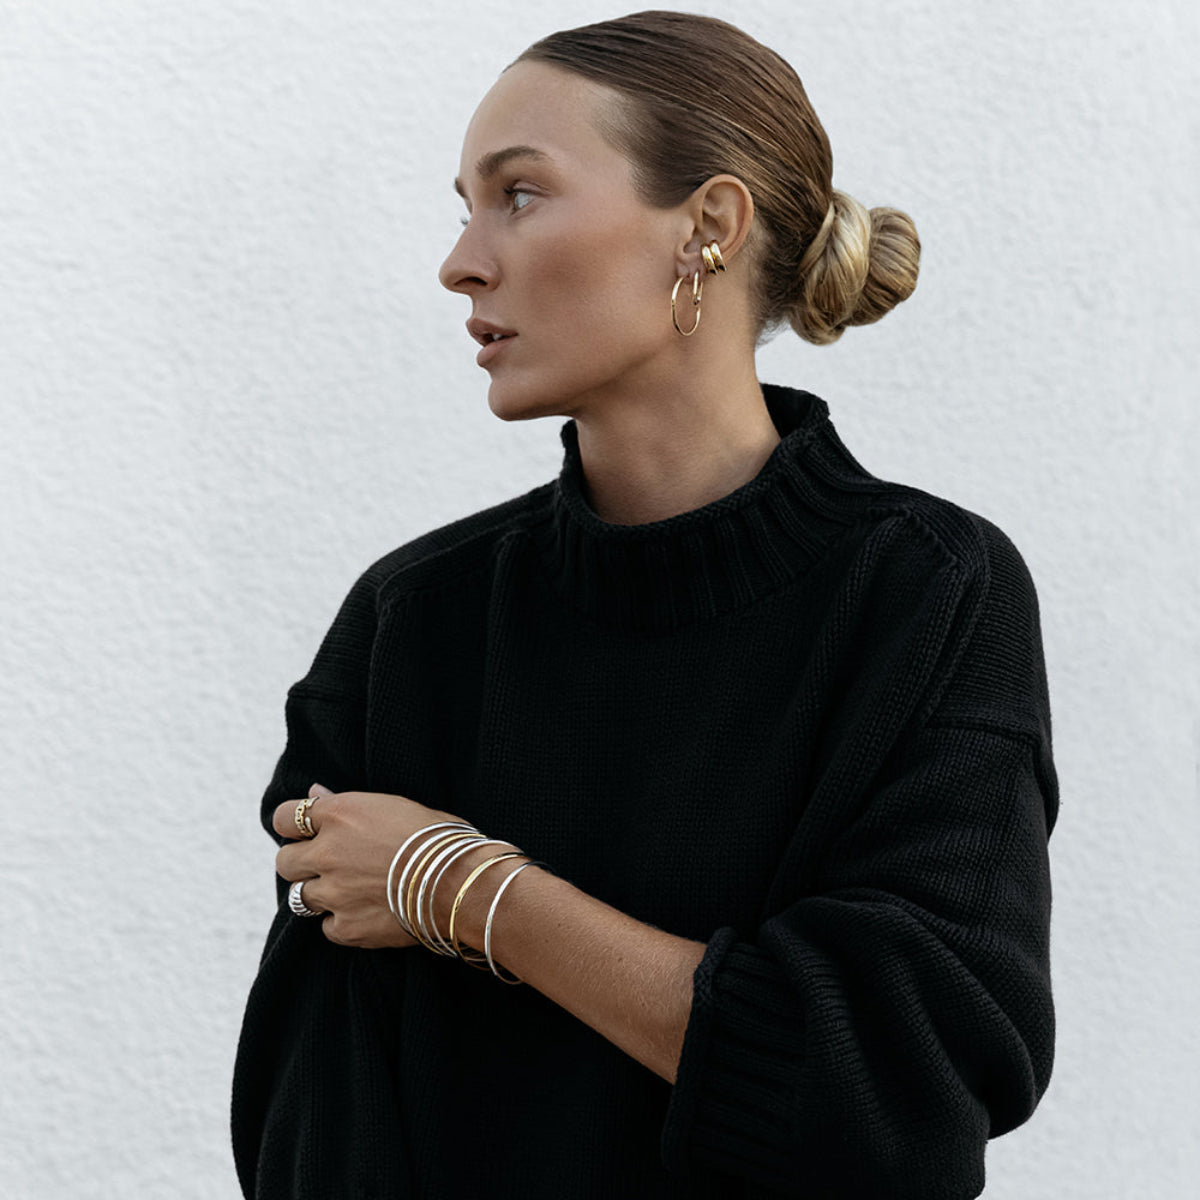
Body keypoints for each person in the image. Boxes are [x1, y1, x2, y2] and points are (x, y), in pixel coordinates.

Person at [231, 11, 1058, 1199]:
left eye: (518, 195)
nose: (463, 260)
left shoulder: (927, 592)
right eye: (464, 205)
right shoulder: (412, 622)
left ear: (709, 228)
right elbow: (314, 1123)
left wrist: (464, 888)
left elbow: (897, 1088)